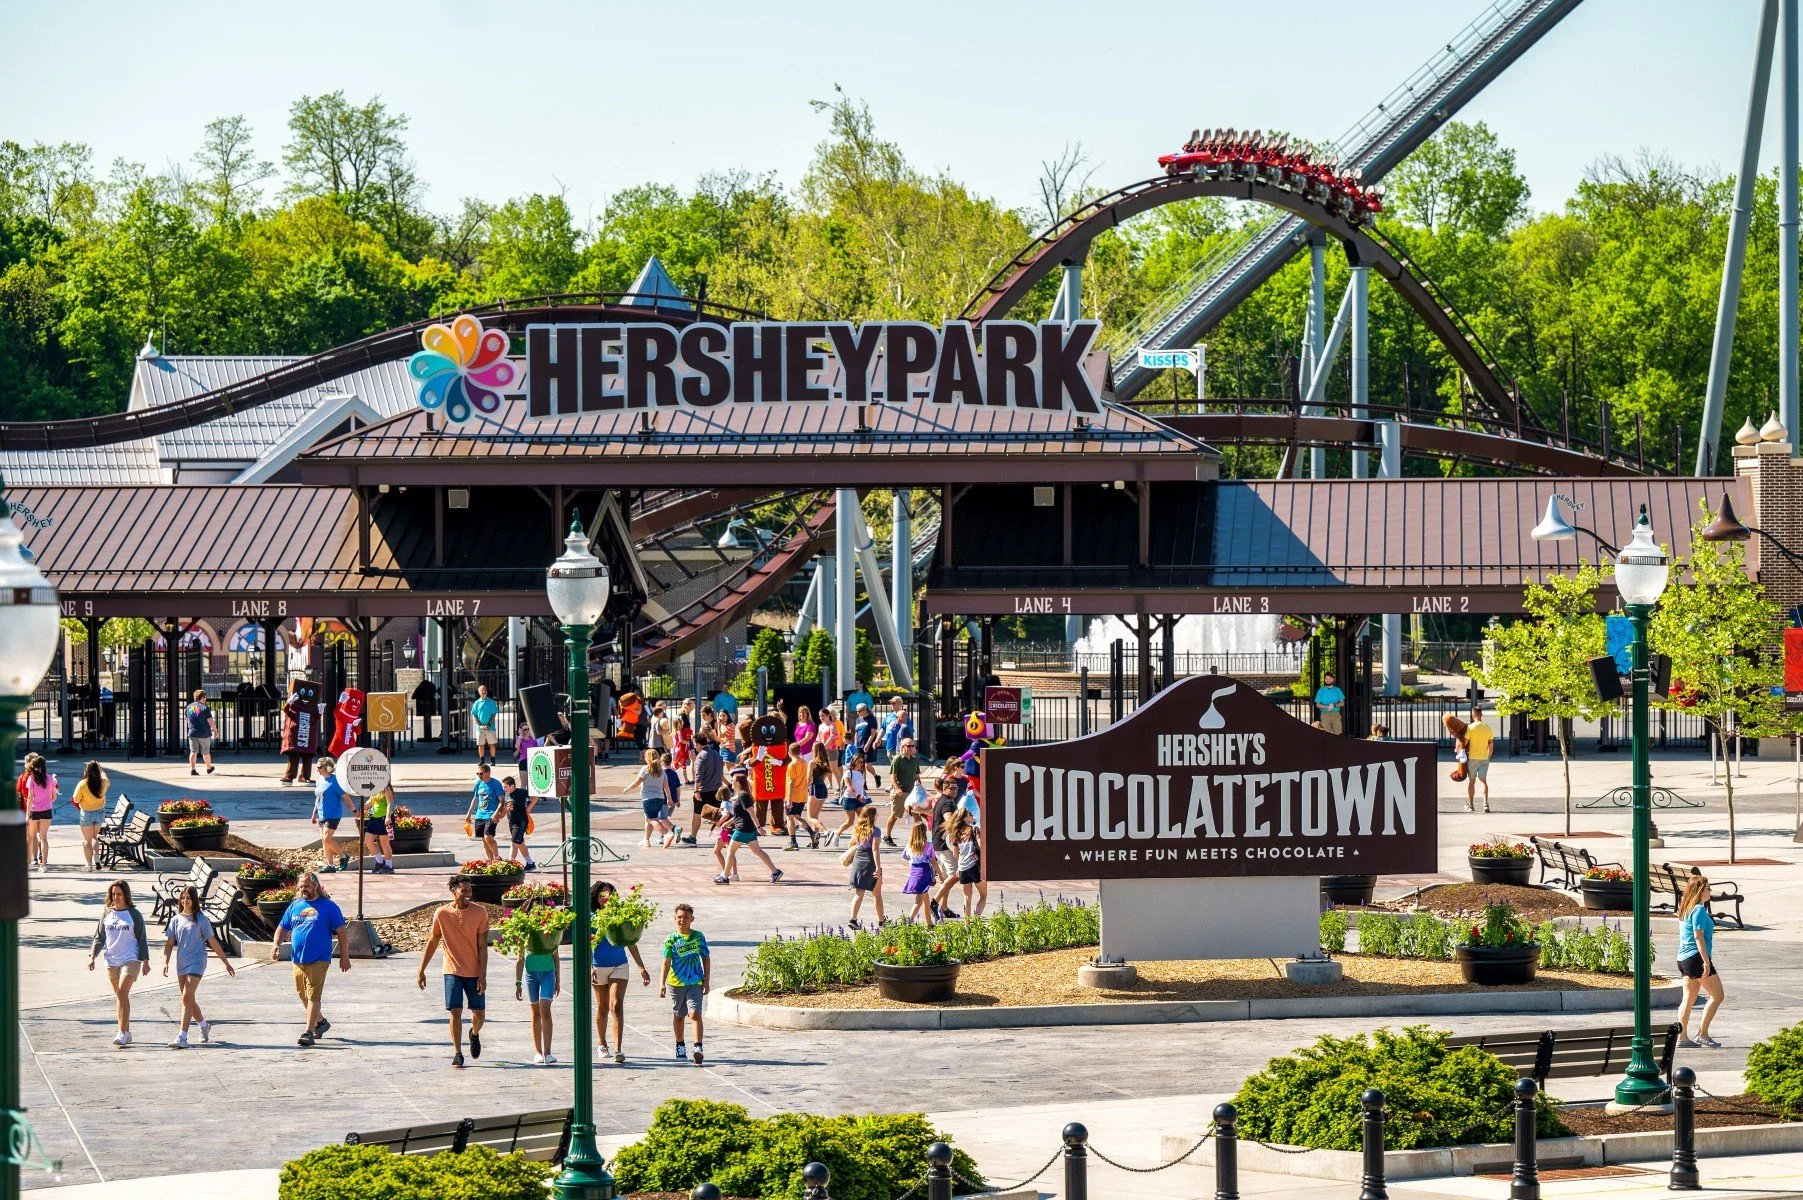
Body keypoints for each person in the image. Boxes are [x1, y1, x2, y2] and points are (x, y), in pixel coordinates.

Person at [417, 876, 492, 1068]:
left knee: (479, 1014)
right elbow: (433, 941)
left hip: (474, 970)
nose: (467, 894)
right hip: (451, 969)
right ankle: (457, 1053)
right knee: (455, 1010)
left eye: (469, 891)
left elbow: (483, 946)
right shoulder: (442, 913)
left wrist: (482, 975)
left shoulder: (480, 912)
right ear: (453, 891)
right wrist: (421, 969)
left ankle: (474, 1034)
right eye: (463, 891)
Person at [274, 871, 349, 1046]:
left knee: (313, 996)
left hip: (319, 958)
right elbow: (282, 927)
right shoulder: (295, 906)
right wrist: (276, 944)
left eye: (306, 886)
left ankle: (308, 1032)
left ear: (316, 885)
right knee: (302, 995)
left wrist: (345, 956)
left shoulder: (329, 907)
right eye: (301, 886)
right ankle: (321, 1022)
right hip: (298, 958)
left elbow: (342, 932)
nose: (303, 889)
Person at [161, 884, 235, 1048]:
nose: (185, 901)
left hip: (197, 961)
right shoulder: (175, 919)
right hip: (182, 962)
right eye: (183, 898)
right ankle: (204, 1026)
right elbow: (169, 943)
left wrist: (226, 963)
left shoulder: (201, 920)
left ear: (194, 901)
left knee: (186, 998)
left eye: (188, 898)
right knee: (188, 999)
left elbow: (213, 942)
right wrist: (165, 962)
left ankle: (183, 1037)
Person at [590, 880, 652, 1065]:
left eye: (609, 894)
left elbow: (630, 941)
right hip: (598, 965)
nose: (605, 897)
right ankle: (602, 1044)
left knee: (616, 1005)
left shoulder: (619, 914)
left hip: (620, 964)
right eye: (602, 894)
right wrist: (589, 966)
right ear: (596, 896)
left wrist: (641, 966)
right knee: (602, 1007)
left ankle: (618, 1048)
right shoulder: (591, 916)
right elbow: (586, 942)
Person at [88, 879, 149, 1046]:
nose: (116, 897)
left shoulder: (134, 915)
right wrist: (93, 956)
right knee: (120, 996)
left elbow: (142, 938)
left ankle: (121, 1032)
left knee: (122, 992)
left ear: (126, 895)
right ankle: (126, 1031)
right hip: (111, 959)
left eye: (119, 894)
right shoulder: (107, 913)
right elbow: (99, 937)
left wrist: (146, 961)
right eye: (113, 894)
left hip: (131, 958)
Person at [1676, 874, 1724, 1049]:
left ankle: (1682, 1037)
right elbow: (1698, 936)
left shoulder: (1685, 908)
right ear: (1700, 891)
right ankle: (1702, 1034)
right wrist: (1706, 962)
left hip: (1683, 958)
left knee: (1688, 999)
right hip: (1696, 957)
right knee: (1718, 995)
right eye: (1708, 888)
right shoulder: (1698, 910)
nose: (1710, 890)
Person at [659, 903, 710, 1065]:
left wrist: (706, 980)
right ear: (675, 919)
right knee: (679, 1015)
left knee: (695, 1014)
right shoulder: (671, 939)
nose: (683, 920)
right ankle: (680, 1045)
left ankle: (698, 1047)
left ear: (692, 919)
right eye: (680, 917)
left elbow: (706, 958)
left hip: (695, 981)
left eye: (686, 917)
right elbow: (666, 962)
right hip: (676, 983)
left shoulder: (698, 937)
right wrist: (662, 983)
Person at [514, 911, 560, 1067]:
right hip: (531, 975)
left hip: (548, 973)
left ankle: (548, 1052)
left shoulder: (549, 932)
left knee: (545, 1009)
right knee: (535, 1013)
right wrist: (518, 982)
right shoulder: (525, 933)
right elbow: (520, 959)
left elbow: (556, 957)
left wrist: (558, 980)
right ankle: (537, 1052)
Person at [722, 771, 782, 885]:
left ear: (738, 783)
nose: (731, 782)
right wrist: (728, 823)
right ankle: (775, 872)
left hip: (743, 829)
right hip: (749, 829)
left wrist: (759, 827)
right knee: (757, 851)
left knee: (730, 851)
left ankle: (724, 877)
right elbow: (739, 815)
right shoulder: (742, 795)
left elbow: (751, 812)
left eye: (733, 781)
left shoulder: (743, 796)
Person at [623, 749, 676, 849]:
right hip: (660, 799)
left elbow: (636, 783)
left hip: (648, 799)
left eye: (645, 756)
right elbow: (666, 787)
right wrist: (669, 798)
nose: (644, 758)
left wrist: (627, 788)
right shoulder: (662, 771)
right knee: (650, 818)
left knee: (651, 819)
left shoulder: (645, 769)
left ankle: (666, 834)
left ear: (648, 759)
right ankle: (646, 840)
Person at [844, 806, 884, 927]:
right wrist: (878, 867)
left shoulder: (858, 829)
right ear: (873, 816)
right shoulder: (875, 831)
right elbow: (875, 849)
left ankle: (853, 919)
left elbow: (851, 844)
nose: (877, 816)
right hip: (869, 861)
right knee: (877, 893)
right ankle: (881, 920)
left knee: (859, 892)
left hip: (858, 860)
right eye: (876, 814)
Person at [945, 809, 986, 918]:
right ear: (965, 818)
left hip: (962, 868)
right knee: (983, 895)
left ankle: (967, 925)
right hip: (975, 866)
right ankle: (977, 920)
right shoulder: (974, 829)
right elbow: (981, 846)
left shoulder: (956, 833)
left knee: (967, 898)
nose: (972, 816)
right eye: (970, 814)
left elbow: (955, 854)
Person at [312, 756, 349, 872]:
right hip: (322, 814)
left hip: (333, 813)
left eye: (319, 767)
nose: (317, 769)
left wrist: (354, 810)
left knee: (327, 838)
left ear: (326, 767)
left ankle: (343, 856)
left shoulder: (335, 781)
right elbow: (318, 798)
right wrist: (314, 814)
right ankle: (331, 866)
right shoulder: (319, 780)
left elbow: (345, 796)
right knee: (324, 840)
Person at [900, 822, 940, 927]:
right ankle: (909, 922)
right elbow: (934, 861)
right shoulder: (927, 845)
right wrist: (940, 875)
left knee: (926, 900)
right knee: (918, 901)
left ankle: (929, 923)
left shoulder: (909, 845)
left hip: (914, 871)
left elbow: (904, 856)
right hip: (924, 872)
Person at [687, 734, 724, 845]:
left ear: (698, 744)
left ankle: (693, 837)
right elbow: (720, 773)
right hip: (716, 789)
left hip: (703, 791)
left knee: (697, 814)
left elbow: (698, 776)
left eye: (695, 745)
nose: (695, 747)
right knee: (719, 815)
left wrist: (696, 791)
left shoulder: (701, 756)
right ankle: (729, 835)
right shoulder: (717, 755)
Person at [884, 737, 922, 846]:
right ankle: (887, 836)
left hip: (912, 793)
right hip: (901, 792)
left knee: (917, 816)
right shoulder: (897, 759)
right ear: (902, 747)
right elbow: (892, 776)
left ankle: (918, 838)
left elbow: (916, 776)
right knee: (895, 815)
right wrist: (897, 788)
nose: (911, 748)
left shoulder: (914, 760)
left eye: (913, 746)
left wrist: (921, 789)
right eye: (909, 746)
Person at [22, 754, 57, 872]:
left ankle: (28, 862)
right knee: (43, 838)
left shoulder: (31, 779)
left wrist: (27, 814)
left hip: (34, 810)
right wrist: (47, 802)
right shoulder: (50, 778)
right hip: (47, 810)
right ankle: (44, 865)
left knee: (30, 837)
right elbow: (54, 796)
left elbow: (30, 797)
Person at [784, 743, 822, 850]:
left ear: (789, 752)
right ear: (799, 752)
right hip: (802, 795)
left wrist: (789, 800)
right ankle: (812, 834)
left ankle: (793, 842)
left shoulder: (792, 765)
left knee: (790, 818)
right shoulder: (803, 762)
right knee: (797, 817)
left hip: (793, 795)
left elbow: (791, 782)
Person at [72, 759, 109, 870]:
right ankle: (97, 858)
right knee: (94, 837)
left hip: (87, 813)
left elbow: (76, 800)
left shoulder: (82, 784)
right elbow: (105, 776)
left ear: (86, 771)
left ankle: (89, 865)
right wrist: (101, 769)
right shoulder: (104, 782)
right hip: (100, 812)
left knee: (87, 840)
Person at [466, 763, 505, 862]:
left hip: (491, 815)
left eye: (481, 773)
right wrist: (469, 814)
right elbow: (475, 799)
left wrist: (497, 813)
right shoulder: (478, 783)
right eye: (477, 773)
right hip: (480, 815)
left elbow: (502, 800)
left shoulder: (495, 783)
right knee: (484, 840)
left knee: (488, 837)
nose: (479, 776)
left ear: (488, 773)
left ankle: (497, 859)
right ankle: (490, 861)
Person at [1464, 706, 1495, 814]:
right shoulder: (1488, 727)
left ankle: (1471, 805)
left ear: (1473, 715)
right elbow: (1491, 746)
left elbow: (1465, 743)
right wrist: (1488, 757)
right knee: (1483, 781)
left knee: (1471, 782)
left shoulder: (1470, 727)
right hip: (1484, 759)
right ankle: (1485, 804)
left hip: (1472, 759)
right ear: (1481, 715)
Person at [503, 774, 538, 870]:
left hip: (520, 821)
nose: (504, 788)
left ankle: (510, 864)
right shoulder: (507, 795)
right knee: (520, 842)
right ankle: (530, 863)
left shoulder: (521, 792)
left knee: (514, 843)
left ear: (512, 786)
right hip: (511, 821)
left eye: (505, 786)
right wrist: (499, 816)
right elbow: (506, 807)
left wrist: (529, 808)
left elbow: (535, 796)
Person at [362, 782, 397, 875]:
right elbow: (371, 801)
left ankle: (389, 866)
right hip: (374, 818)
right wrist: (361, 809)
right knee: (368, 840)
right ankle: (380, 862)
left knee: (384, 843)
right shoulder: (374, 788)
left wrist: (388, 817)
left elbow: (390, 804)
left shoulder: (386, 788)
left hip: (384, 818)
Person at [186, 688, 216, 776]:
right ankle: (209, 768)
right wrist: (215, 730)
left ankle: (193, 770)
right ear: (203, 697)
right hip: (204, 733)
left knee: (193, 751)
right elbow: (210, 720)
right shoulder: (205, 708)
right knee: (206, 752)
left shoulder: (188, 707)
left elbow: (187, 720)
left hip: (192, 732)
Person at [470, 684, 500, 767]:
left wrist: (489, 724)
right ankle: (482, 760)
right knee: (480, 744)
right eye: (482, 690)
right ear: (479, 692)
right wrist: (480, 725)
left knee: (492, 744)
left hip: (491, 727)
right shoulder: (476, 703)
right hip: (480, 728)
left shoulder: (491, 702)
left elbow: (494, 715)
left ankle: (493, 760)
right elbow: (474, 715)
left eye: (485, 690)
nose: (484, 691)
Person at [854, 703, 883, 785]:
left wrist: (868, 744)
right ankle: (863, 783)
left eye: (859, 711)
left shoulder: (871, 719)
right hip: (859, 744)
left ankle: (876, 776)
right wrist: (855, 743)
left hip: (868, 744)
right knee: (860, 764)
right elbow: (856, 732)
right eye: (857, 711)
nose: (858, 713)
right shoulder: (858, 720)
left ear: (865, 710)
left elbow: (873, 733)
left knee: (867, 765)